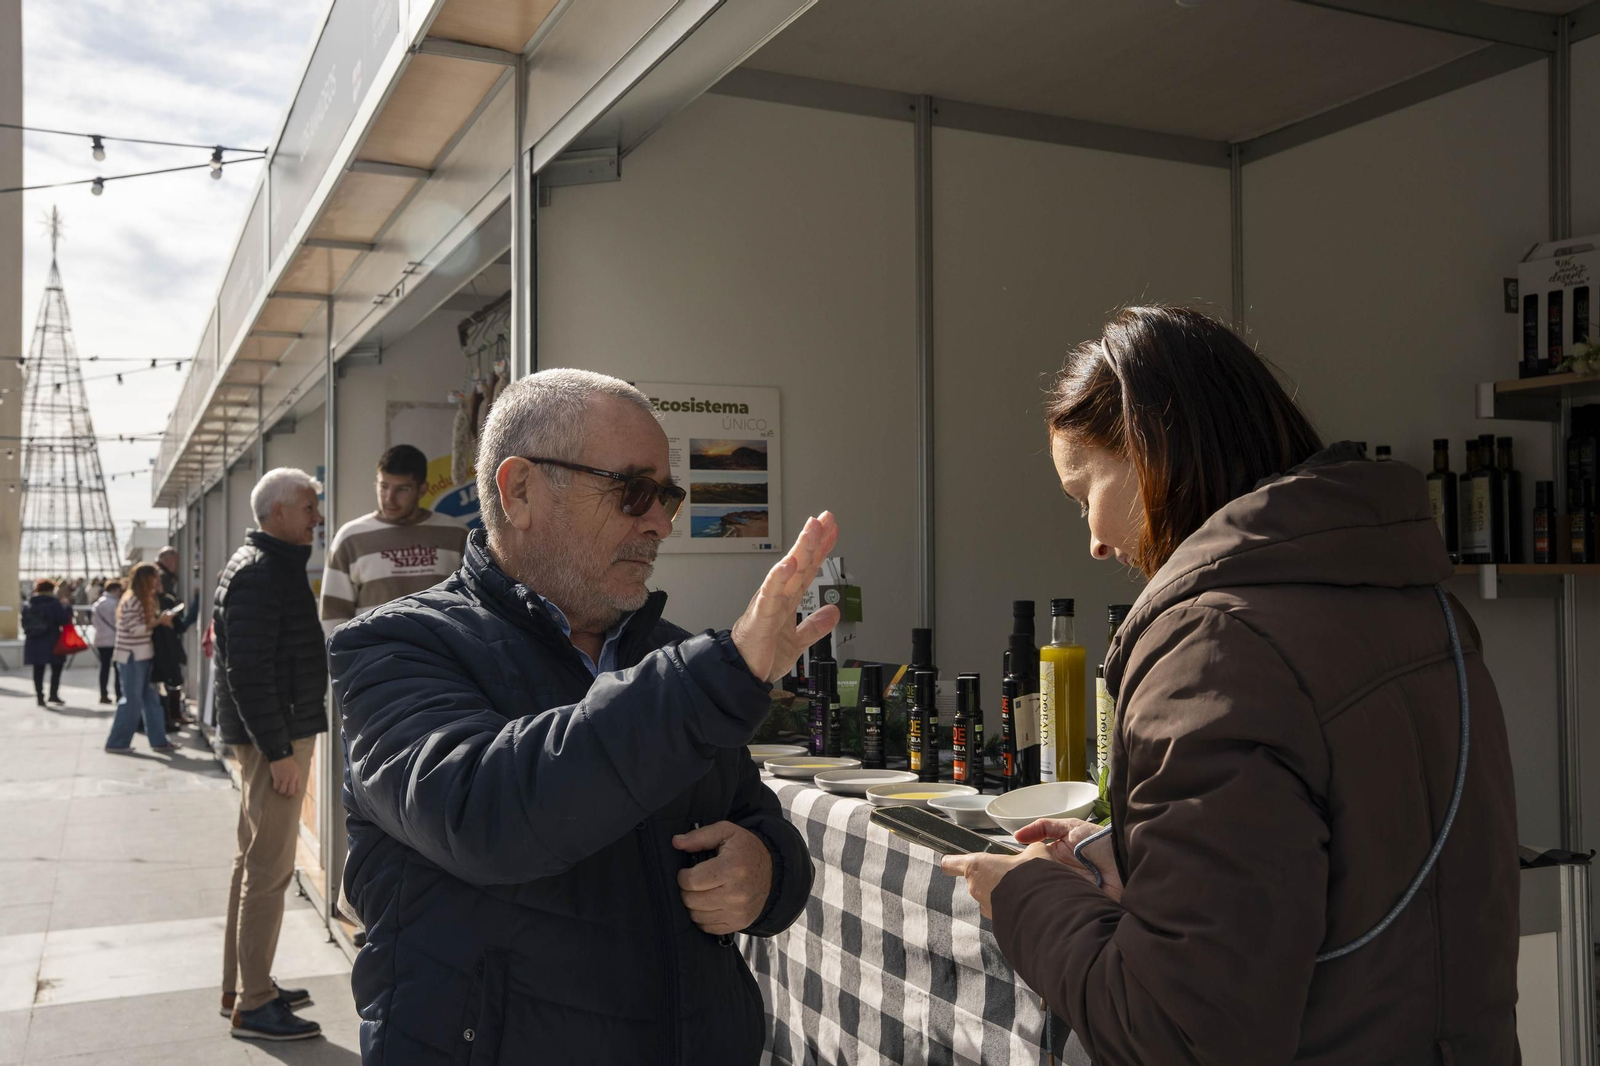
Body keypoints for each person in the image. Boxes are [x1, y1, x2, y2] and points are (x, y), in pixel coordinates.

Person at [941, 306, 1518, 1064]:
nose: (1095, 541)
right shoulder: (1424, 606)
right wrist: (1137, 853)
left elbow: (1178, 1033)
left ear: (1151, 451)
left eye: (1084, 495)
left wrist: (1025, 895)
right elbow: (1356, 873)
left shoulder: (1213, 651)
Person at [330, 370, 832, 1065]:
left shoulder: (673, 662)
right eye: (633, 491)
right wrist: (717, 676)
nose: (659, 522)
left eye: (668, 497)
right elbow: (486, 813)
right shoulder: (396, 645)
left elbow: (756, 821)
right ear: (520, 491)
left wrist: (766, 874)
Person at [214, 468, 329, 1042]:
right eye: (308, 507)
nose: (317, 518)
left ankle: (242, 987)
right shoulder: (262, 571)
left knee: (252, 862)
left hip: (268, 736)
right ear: (278, 512)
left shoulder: (265, 564)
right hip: (273, 740)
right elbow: (249, 671)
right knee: (268, 869)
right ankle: (255, 1004)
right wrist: (280, 750)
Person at [319, 444, 466, 636]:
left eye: (402, 489)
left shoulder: (456, 533)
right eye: (383, 486)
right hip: (374, 651)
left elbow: (472, 603)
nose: (389, 498)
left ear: (422, 489)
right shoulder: (350, 538)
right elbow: (333, 614)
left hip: (442, 651)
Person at [104, 563, 178, 754]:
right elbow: (135, 630)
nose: (158, 581)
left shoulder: (142, 599)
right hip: (132, 657)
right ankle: (117, 742)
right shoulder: (133, 600)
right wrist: (159, 621)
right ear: (146, 579)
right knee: (133, 700)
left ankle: (159, 740)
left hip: (142, 656)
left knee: (151, 699)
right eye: (155, 577)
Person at [153, 547, 199, 731]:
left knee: (167, 681)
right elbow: (177, 623)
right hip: (165, 641)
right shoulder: (164, 588)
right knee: (171, 680)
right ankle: (172, 716)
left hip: (162, 641)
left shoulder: (159, 580)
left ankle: (170, 716)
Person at [22, 578, 72, 707]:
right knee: (57, 667)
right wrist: (66, 606)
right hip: (52, 639)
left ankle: (40, 696)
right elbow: (64, 620)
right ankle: (53, 694)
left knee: (38, 669)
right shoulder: (54, 603)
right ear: (51, 590)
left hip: (34, 640)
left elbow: (23, 623)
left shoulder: (28, 604)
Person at [91, 579, 124, 705]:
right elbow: (118, 621)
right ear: (114, 590)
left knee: (104, 668)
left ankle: (103, 694)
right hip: (114, 639)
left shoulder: (97, 604)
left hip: (101, 639)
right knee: (118, 669)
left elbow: (94, 622)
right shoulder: (116, 603)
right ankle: (119, 694)